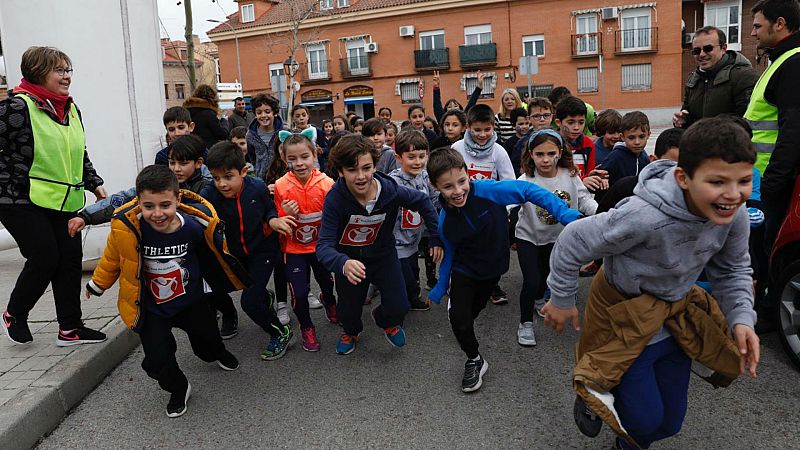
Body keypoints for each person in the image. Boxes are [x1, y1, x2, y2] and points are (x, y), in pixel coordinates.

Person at [542, 117, 760, 450]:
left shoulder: (735, 213)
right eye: (717, 182)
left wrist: (742, 318)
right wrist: (561, 298)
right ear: (683, 178)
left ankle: (618, 418)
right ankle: (597, 390)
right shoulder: (644, 216)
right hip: (623, 314)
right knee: (642, 420)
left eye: (743, 180)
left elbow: (732, 269)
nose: (733, 195)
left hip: (674, 317)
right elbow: (573, 239)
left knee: (669, 422)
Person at [85, 165, 246, 418]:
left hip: (191, 302)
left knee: (206, 345)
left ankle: (216, 352)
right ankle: (179, 388)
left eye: (165, 205)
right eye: (148, 206)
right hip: (152, 308)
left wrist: (227, 278)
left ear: (177, 199)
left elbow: (214, 256)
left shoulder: (194, 227)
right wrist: (97, 284)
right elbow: (113, 258)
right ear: (138, 202)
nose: (157, 214)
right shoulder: (128, 228)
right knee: (156, 362)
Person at [426, 148, 581, 392]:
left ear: (468, 175)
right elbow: (449, 254)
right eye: (448, 187)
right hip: (464, 270)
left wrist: (562, 211)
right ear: (436, 187)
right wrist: (440, 284)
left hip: (493, 270)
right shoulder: (445, 220)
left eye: (461, 182)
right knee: (461, 321)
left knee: (474, 311)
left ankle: (465, 311)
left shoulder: (489, 191)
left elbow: (528, 190)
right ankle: (475, 359)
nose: (457, 191)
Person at [0, 46, 108, 346]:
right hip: (19, 199)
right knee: (45, 257)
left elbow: (78, 152)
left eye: (67, 70)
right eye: (59, 71)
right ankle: (15, 314)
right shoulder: (17, 108)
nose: (66, 77)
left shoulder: (70, 109)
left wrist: (94, 182)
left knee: (70, 260)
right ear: (38, 73)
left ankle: (70, 329)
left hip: (63, 199)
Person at [316, 134, 442, 355]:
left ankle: (384, 319)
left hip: (384, 256)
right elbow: (323, 246)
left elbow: (423, 201)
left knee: (400, 307)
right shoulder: (335, 199)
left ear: (375, 165)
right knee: (348, 313)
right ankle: (352, 332)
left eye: (367, 168)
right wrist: (342, 263)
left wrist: (435, 237)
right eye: (352, 170)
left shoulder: (390, 190)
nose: (361, 176)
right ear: (340, 171)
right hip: (351, 262)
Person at [200, 142, 297, 361]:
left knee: (249, 302)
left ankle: (281, 333)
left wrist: (273, 220)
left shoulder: (257, 186)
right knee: (245, 291)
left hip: (263, 250)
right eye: (216, 178)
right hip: (235, 255)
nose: (222, 184)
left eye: (228, 176)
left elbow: (269, 209)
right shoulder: (209, 195)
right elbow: (194, 212)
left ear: (243, 172)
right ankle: (265, 296)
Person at [746, 0, 800, 331]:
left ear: (779, 24)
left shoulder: (792, 64)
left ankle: (766, 314)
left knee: (767, 250)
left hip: (772, 182)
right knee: (758, 249)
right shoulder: (780, 61)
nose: (752, 31)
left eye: (757, 25)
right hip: (762, 178)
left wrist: (770, 186)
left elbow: (792, 133)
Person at [514, 129, 597, 346]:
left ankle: (540, 298)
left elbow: (584, 199)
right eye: (540, 154)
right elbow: (508, 202)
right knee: (531, 281)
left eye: (551, 153)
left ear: (560, 152)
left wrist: (600, 213)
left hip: (559, 239)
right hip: (528, 237)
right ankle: (525, 324)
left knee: (545, 278)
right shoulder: (526, 179)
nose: (545, 159)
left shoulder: (570, 175)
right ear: (531, 154)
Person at [273, 130, 337, 351]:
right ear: (285, 159)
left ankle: (329, 301)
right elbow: (276, 220)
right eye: (292, 159)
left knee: (328, 283)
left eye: (304, 157)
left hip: (321, 247)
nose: (299, 163)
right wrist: (284, 213)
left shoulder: (327, 183)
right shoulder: (281, 185)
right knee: (299, 293)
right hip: (294, 249)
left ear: (314, 155)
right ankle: (307, 327)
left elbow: (335, 214)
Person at [451, 103, 515, 305]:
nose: (482, 134)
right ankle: (462, 284)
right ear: (468, 127)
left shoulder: (499, 152)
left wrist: (505, 211)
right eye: (477, 130)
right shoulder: (457, 148)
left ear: (493, 127)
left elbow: (509, 183)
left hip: (491, 213)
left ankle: (492, 285)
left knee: (490, 252)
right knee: (465, 250)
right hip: (463, 210)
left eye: (487, 129)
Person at [388, 130, 440, 312]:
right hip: (397, 241)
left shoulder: (425, 176)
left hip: (416, 236)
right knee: (404, 275)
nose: (417, 162)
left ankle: (412, 297)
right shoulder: (392, 182)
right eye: (411, 157)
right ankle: (400, 302)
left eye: (421, 156)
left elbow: (434, 200)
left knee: (414, 270)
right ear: (399, 157)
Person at [673, 26, 759, 129]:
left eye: (708, 48)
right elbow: (687, 113)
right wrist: (682, 121)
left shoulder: (743, 76)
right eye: (696, 50)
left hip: (732, 142)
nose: (701, 54)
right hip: (700, 143)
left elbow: (746, 120)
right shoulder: (693, 79)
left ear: (723, 48)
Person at [598, 111, 651, 191]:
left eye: (641, 137)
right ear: (622, 137)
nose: (637, 142)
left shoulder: (644, 157)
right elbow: (600, 177)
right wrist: (602, 179)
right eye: (631, 138)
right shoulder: (615, 157)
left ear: (648, 135)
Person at [511, 97, 555, 176]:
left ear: (552, 116)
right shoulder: (522, 143)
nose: (542, 119)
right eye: (537, 116)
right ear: (529, 119)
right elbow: (516, 167)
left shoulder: (558, 139)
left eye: (546, 115)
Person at [246, 93, 284, 181]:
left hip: (282, 178)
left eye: (267, 112)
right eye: (259, 112)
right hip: (262, 179)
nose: (263, 115)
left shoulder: (284, 132)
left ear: (274, 113)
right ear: (255, 114)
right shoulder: (250, 135)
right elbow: (253, 157)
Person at [183, 84, 228, 150]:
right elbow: (222, 135)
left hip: (191, 149)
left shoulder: (186, 112)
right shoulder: (209, 114)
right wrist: (224, 121)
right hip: (208, 151)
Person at [291, 104, 329, 171]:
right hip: (297, 169)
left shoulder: (317, 131)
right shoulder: (291, 134)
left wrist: (321, 150)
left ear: (308, 117)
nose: (301, 118)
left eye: (304, 115)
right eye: (297, 116)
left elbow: (327, 149)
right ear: (293, 119)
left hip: (316, 168)